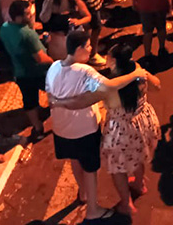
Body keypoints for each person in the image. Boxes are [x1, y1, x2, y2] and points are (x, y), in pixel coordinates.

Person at [44, 30, 144, 223]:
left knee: (74, 160)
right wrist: (136, 75)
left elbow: (50, 96)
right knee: (90, 168)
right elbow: (109, 86)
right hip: (83, 129)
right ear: (79, 48)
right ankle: (93, 209)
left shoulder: (54, 66)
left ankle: (82, 193)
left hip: (61, 129)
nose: (91, 50)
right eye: (88, 46)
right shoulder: (85, 71)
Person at [0, 0, 53, 141]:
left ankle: (38, 127)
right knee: (55, 92)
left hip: (20, 72)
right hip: (38, 72)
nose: (31, 16)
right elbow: (40, 58)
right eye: (28, 14)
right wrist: (54, 62)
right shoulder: (28, 34)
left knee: (30, 101)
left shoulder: (4, 28)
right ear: (18, 17)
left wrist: (38, 42)